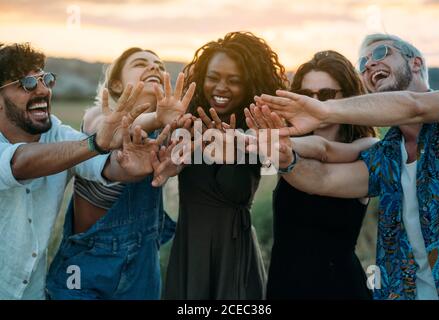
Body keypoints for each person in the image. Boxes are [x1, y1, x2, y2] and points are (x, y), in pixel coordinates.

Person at [256, 34, 439, 300]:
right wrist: (280, 155)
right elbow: (322, 179)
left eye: (381, 53)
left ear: (415, 63)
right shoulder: (385, 156)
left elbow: (415, 106)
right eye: (363, 62)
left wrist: (324, 111)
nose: (369, 64)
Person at [0, 43, 155, 299]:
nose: (42, 90)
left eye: (46, 79)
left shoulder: (57, 134)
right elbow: (19, 164)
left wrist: (131, 167)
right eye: (26, 83)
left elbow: (100, 163)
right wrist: (96, 143)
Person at [46, 48, 193, 300]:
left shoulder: (167, 130)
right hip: (87, 267)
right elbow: (107, 134)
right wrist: (157, 118)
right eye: (140, 63)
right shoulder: (98, 117)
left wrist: (176, 165)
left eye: (159, 65)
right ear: (116, 83)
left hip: (143, 268)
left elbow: (178, 161)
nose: (154, 68)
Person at [164, 31, 288, 299]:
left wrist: (231, 154)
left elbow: (238, 193)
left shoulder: (255, 133)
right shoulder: (186, 124)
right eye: (213, 77)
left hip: (232, 254)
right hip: (189, 248)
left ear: (250, 85)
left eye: (234, 81)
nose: (221, 87)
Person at [248, 50, 378, 299]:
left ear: (348, 97)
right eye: (307, 95)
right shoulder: (286, 144)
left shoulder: (367, 148)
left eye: (327, 95)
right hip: (283, 288)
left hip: (340, 290)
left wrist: (276, 143)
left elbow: (323, 149)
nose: (316, 103)